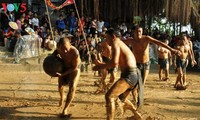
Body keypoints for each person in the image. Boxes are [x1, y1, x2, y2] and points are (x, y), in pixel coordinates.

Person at [93, 28, 142, 120]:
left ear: (113, 37)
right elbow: (117, 62)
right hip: (131, 75)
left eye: (107, 38)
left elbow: (114, 63)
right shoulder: (120, 44)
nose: (106, 41)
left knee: (109, 96)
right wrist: (101, 64)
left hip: (130, 75)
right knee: (120, 99)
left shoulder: (116, 43)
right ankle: (136, 114)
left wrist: (100, 67)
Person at [123, 25, 180, 102]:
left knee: (142, 83)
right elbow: (119, 41)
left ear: (142, 32)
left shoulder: (146, 39)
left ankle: (139, 100)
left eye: (139, 31)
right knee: (134, 83)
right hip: (136, 64)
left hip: (146, 64)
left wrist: (172, 49)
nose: (138, 33)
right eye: (136, 31)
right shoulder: (131, 40)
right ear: (134, 32)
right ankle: (135, 100)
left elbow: (159, 43)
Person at [52, 37, 81, 117]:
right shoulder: (58, 49)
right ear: (59, 46)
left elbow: (74, 67)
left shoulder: (75, 52)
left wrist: (63, 74)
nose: (65, 51)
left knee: (72, 87)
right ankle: (62, 97)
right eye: (62, 49)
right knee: (60, 86)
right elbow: (53, 56)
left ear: (70, 45)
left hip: (74, 69)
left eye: (66, 49)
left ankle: (65, 109)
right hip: (64, 67)